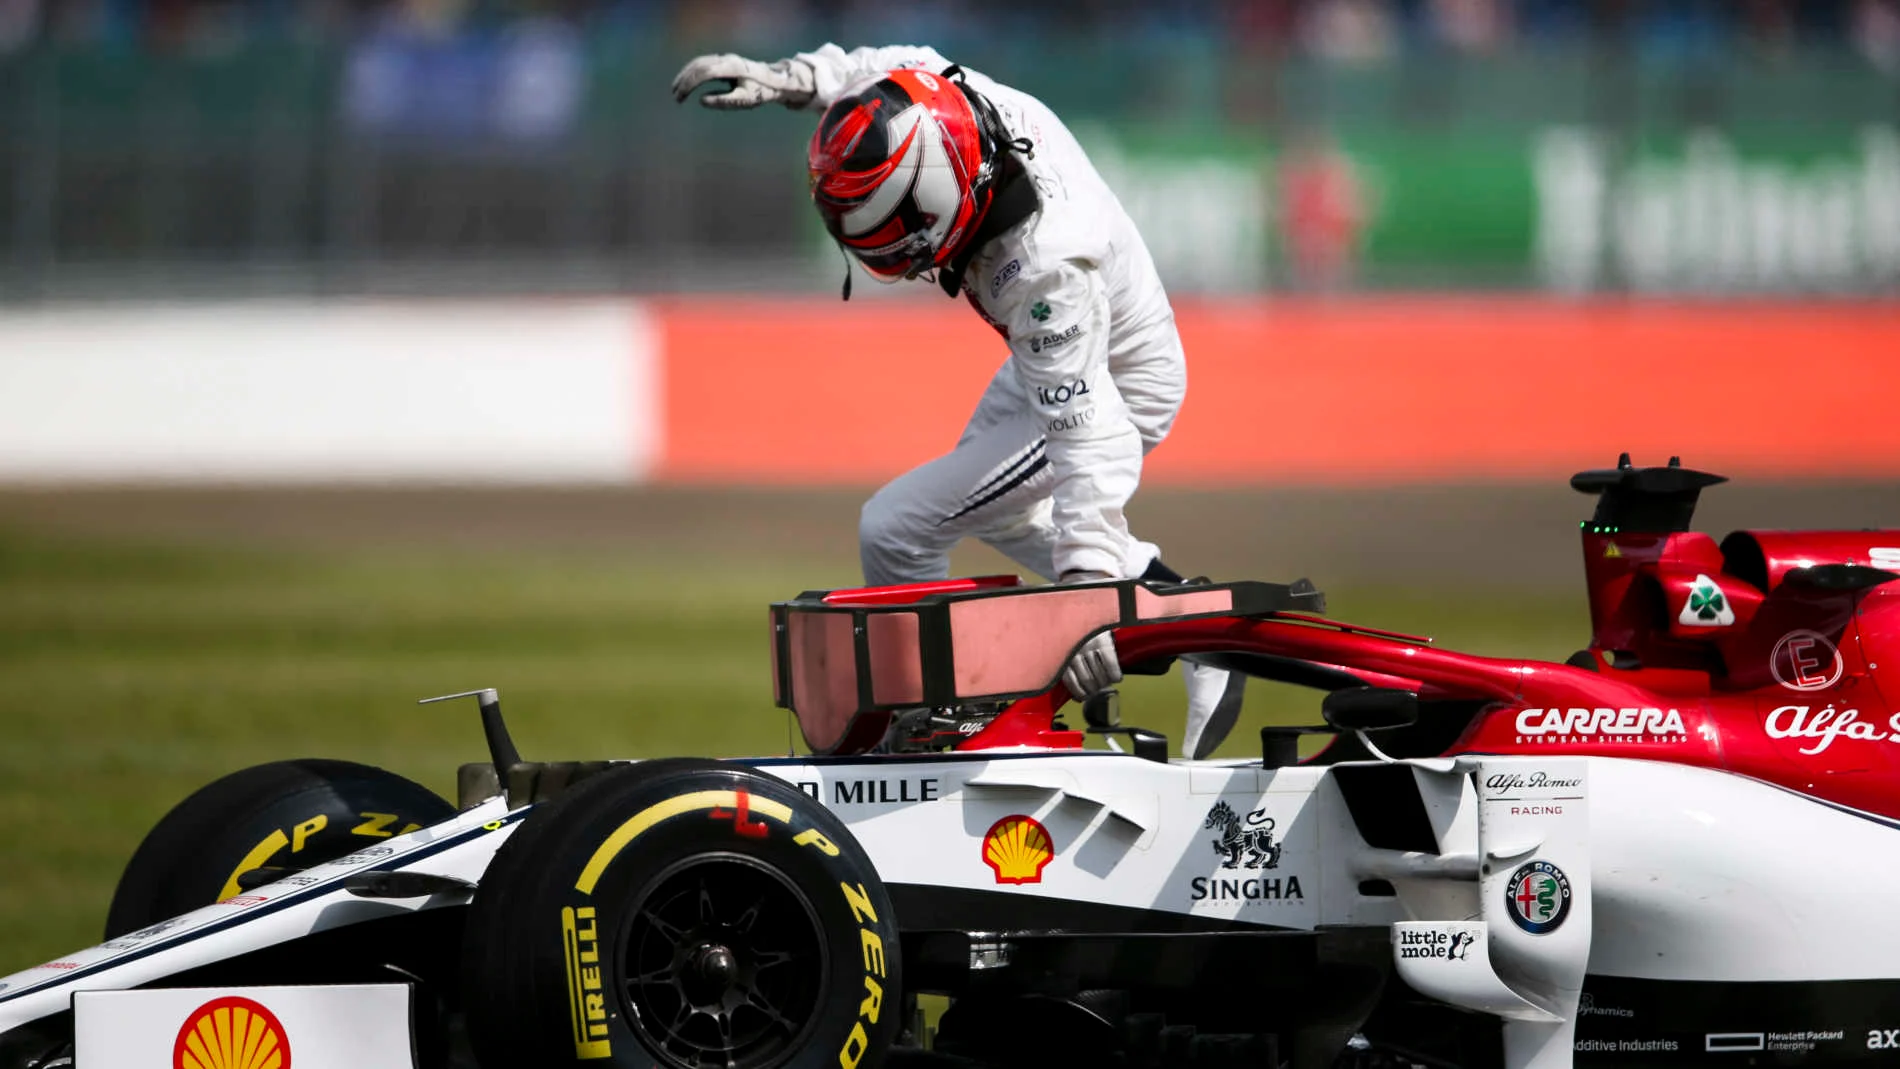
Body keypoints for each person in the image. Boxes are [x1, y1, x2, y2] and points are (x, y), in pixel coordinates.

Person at [671, 44, 1246, 758]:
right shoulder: (942, 104)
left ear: (936, 202)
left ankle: (942, 719)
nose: (891, 258)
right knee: (993, 510)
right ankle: (1194, 622)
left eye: (890, 236)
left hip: (1112, 378)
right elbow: (886, 76)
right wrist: (799, 79)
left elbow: (1086, 438)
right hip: (1062, 360)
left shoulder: (1043, 268)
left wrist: (1085, 599)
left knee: (898, 526)